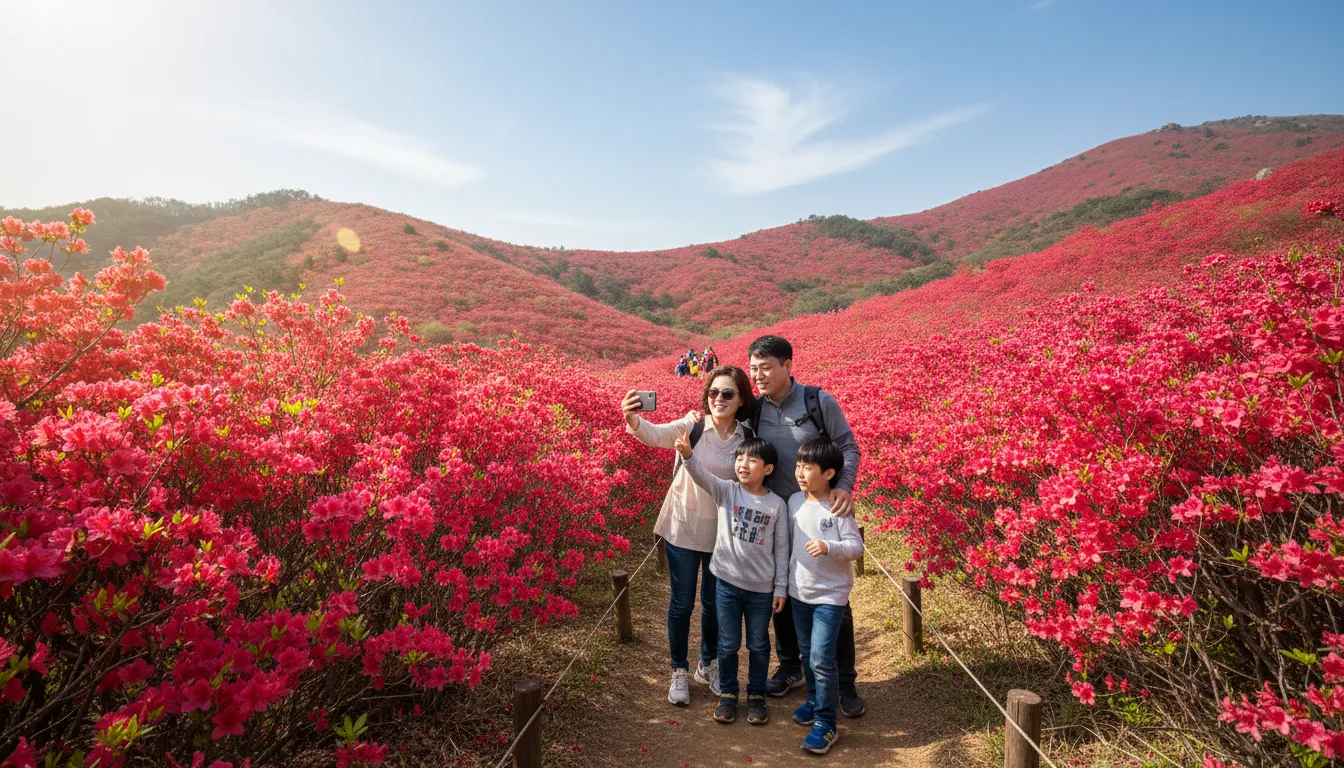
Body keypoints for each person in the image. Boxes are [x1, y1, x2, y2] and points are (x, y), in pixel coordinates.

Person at [745, 335, 866, 717]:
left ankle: (845, 682)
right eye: (753, 368)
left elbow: (848, 446)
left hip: (819, 510)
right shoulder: (754, 410)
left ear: (787, 365)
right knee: (782, 587)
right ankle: (791, 667)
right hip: (778, 512)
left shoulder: (817, 401)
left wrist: (843, 486)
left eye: (766, 367)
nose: (758, 375)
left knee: (832, 596)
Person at [621, 367, 756, 706]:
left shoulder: (747, 437)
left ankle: (707, 664)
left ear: (741, 400)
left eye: (727, 393)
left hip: (721, 532)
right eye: (713, 392)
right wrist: (633, 419)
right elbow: (654, 435)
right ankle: (678, 669)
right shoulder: (691, 427)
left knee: (713, 604)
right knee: (682, 603)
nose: (719, 399)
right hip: (683, 526)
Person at [675, 431, 788, 726]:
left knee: (759, 645)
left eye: (752, 460)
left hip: (761, 590)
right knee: (727, 645)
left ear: (768, 469)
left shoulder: (777, 505)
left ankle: (756, 695)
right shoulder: (726, 491)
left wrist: (780, 587)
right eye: (740, 458)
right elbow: (701, 476)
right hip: (726, 584)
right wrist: (687, 454)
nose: (743, 464)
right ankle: (728, 694)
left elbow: (781, 550)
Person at [786, 438, 862, 754]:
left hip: (831, 596)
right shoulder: (793, 501)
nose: (800, 473)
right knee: (807, 653)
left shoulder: (837, 505)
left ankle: (826, 723)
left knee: (821, 658)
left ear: (829, 473)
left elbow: (856, 547)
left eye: (808, 467)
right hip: (799, 592)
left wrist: (829, 546)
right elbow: (786, 546)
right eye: (798, 466)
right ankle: (816, 698)